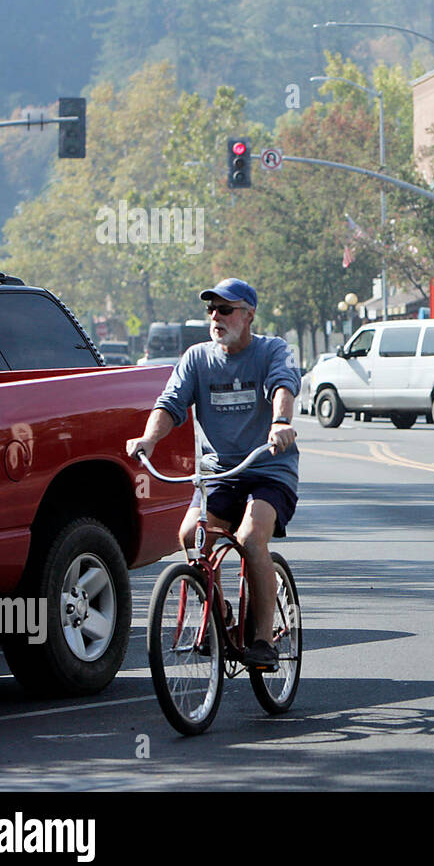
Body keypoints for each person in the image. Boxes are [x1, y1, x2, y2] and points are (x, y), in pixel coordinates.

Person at [126, 278, 299, 669]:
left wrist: (281, 422)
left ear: (249, 315)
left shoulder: (272, 351)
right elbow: (170, 403)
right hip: (220, 471)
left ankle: (261, 641)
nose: (216, 317)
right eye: (211, 310)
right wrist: (148, 440)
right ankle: (219, 617)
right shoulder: (197, 358)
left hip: (267, 467)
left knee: (251, 538)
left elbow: (283, 386)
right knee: (190, 536)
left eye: (226, 309)